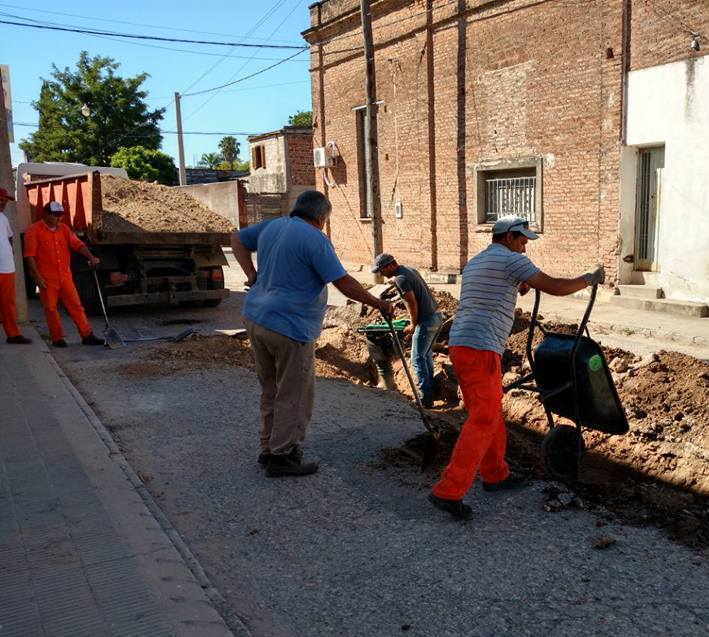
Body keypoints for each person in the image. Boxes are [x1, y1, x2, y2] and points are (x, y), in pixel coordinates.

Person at [429, 215, 605, 520]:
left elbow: (497, 285)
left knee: (490, 413)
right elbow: (554, 286)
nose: (524, 248)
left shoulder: (478, 262)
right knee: (483, 419)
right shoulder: (509, 260)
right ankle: (448, 491)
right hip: (481, 347)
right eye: (522, 241)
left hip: (463, 344)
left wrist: (519, 282)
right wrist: (588, 278)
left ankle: (496, 475)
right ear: (508, 237)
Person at [231, 190, 395, 478]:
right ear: (321, 217)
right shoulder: (315, 239)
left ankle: (268, 448)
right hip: (289, 327)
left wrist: (252, 275)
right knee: (293, 395)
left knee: (271, 389)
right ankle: (282, 457)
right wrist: (379, 303)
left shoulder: (273, 226)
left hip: (257, 319)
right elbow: (343, 283)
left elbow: (236, 238)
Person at [23, 201, 104, 348]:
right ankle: (57, 338)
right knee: (51, 309)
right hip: (47, 279)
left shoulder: (64, 229)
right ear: (46, 214)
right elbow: (30, 256)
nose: (59, 218)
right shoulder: (33, 231)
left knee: (76, 306)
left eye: (60, 215)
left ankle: (87, 335)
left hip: (65, 277)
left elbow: (78, 244)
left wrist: (91, 257)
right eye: (55, 215)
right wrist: (37, 277)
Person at [372, 253, 444, 406]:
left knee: (417, 358)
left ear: (390, 265)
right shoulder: (408, 270)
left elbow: (412, 302)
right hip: (436, 316)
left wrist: (413, 324)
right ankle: (431, 390)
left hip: (426, 320)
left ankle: (426, 397)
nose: (382, 275)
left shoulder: (401, 279)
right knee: (426, 355)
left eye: (382, 270)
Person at [0, 188, 30, 344]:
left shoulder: (3, 218)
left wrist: (9, 252)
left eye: (5, 201)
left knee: (8, 304)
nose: (3, 203)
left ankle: (13, 335)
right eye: (1, 200)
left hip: (7, 269)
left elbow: (10, 237)